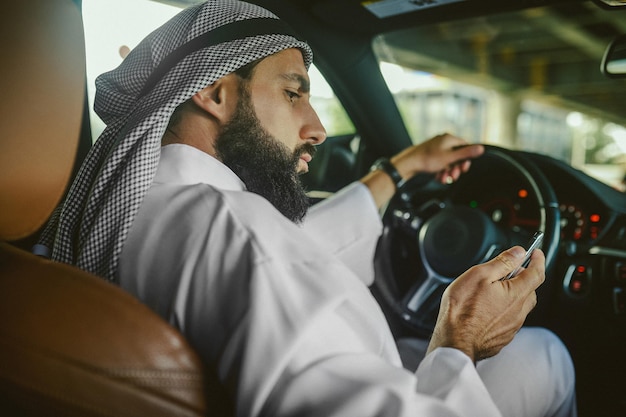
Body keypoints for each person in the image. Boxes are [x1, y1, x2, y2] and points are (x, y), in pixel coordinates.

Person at [37, 1, 576, 416]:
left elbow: (298, 252)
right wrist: (460, 339)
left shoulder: (136, 208)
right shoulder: (236, 231)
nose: (318, 128)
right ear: (216, 94)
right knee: (547, 352)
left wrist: (400, 169)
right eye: (294, 93)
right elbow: (270, 258)